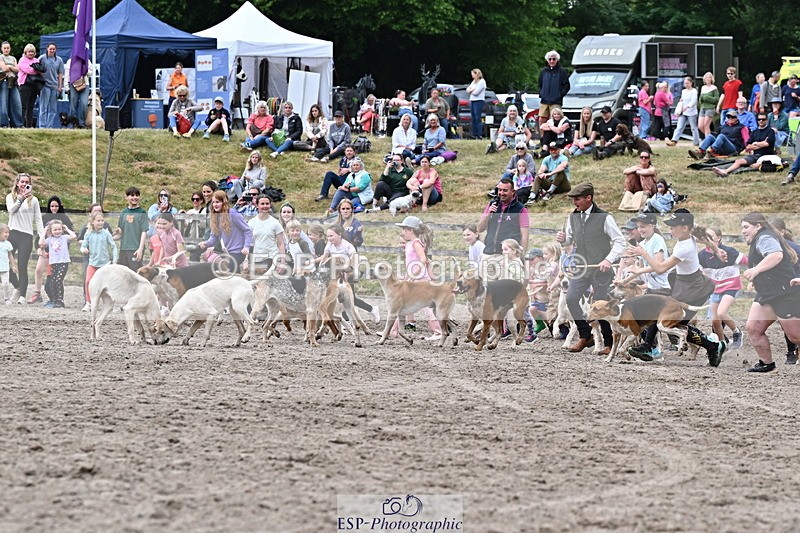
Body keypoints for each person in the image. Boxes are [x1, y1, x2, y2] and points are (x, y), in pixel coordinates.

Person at [625, 209, 727, 365]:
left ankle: (713, 346)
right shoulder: (691, 232)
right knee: (662, 314)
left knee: (675, 323)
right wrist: (717, 251)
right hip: (685, 284)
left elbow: (660, 268)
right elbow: (705, 238)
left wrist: (643, 253)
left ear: (684, 228)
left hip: (694, 290)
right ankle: (648, 346)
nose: (670, 230)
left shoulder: (683, 248)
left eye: (673, 227)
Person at [555, 182, 625, 355]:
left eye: (577, 199)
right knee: (571, 298)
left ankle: (609, 343)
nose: (574, 203)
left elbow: (620, 241)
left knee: (601, 303)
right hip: (582, 267)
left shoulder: (605, 217)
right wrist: (563, 240)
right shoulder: (573, 217)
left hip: (601, 269)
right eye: (573, 200)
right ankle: (585, 335)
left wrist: (608, 260)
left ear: (589, 198)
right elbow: (569, 242)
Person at [742, 213, 800, 372]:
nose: (743, 231)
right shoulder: (759, 240)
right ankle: (767, 364)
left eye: (746, 227)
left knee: (795, 336)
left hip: (785, 293)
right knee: (753, 328)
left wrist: (755, 270)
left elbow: (776, 256)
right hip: (767, 294)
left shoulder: (764, 238)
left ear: (758, 226)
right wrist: (757, 279)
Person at [315, 224, 380, 323]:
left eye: (331, 236)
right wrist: (320, 267)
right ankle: (345, 319)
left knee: (350, 298)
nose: (329, 238)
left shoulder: (347, 246)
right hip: (335, 273)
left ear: (339, 234)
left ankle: (372, 309)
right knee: (337, 297)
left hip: (347, 272)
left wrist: (348, 270)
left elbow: (354, 258)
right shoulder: (329, 244)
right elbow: (324, 257)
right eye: (328, 236)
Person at [394, 215, 443, 341]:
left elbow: (423, 259)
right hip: (413, 279)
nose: (403, 232)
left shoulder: (416, 243)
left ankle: (438, 331)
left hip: (421, 279)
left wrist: (414, 274)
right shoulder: (409, 244)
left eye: (404, 230)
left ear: (411, 230)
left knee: (426, 306)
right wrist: (407, 275)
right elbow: (411, 262)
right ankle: (393, 331)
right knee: (400, 303)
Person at [699, 226, 746, 347]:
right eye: (705, 237)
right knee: (715, 321)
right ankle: (722, 344)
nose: (707, 239)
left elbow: (748, 261)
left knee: (721, 313)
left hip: (731, 286)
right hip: (715, 289)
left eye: (711, 236)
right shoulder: (702, 255)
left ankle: (737, 332)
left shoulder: (729, 251)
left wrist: (754, 275)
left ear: (718, 238)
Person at [477, 178, 529, 279]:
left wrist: (520, 257)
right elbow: (479, 228)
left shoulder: (521, 209)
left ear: (513, 191)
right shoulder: (492, 205)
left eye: (505, 190)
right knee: (485, 291)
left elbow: (525, 236)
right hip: (488, 254)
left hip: (506, 257)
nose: (501, 193)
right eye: (499, 190)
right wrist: (488, 214)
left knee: (503, 292)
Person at [28, 195, 74, 304]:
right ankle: (37, 293)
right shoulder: (44, 218)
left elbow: (69, 235)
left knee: (56, 275)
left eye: (56, 206)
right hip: (46, 248)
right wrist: (39, 248)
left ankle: (57, 297)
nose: (54, 208)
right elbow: (40, 235)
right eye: (52, 206)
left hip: (58, 252)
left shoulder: (64, 218)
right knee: (39, 269)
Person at [6, 173, 44, 304]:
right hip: (12, 233)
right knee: (5, 263)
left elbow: (38, 219)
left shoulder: (34, 200)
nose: (24, 184)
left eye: (27, 182)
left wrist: (41, 236)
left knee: (22, 265)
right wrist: (20, 199)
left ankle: (22, 295)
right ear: (17, 183)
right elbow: (12, 210)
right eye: (22, 182)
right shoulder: (10, 197)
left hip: (26, 235)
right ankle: (17, 287)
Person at [199, 191, 253, 273]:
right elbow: (214, 236)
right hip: (227, 252)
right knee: (232, 274)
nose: (215, 204)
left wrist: (246, 247)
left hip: (239, 252)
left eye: (218, 202)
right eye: (213, 202)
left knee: (224, 267)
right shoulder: (215, 216)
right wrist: (206, 243)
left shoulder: (233, 214)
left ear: (224, 202)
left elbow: (247, 230)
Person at [713, 112, 775, 177]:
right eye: (759, 119)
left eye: (763, 119)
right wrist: (761, 144)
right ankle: (725, 171)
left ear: (767, 120)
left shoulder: (770, 131)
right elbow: (748, 146)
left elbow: (767, 144)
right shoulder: (754, 132)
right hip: (755, 156)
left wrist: (755, 143)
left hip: (767, 156)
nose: (761, 121)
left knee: (760, 165)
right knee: (739, 161)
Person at [622, 212, 671, 295]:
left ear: (652, 226)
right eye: (638, 227)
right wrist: (623, 281)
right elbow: (640, 269)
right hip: (652, 286)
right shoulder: (641, 244)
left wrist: (643, 254)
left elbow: (659, 265)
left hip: (664, 286)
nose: (640, 230)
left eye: (643, 227)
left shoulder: (657, 239)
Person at [80, 211, 117, 311]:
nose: (101, 222)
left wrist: (114, 259)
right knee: (88, 281)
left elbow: (113, 246)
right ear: (92, 222)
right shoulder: (88, 234)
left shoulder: (106, 233)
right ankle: (88, 303)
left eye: (102, 220)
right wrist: (84, 249)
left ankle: (113, 304)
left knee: (109, 284)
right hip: (92, 263)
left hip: (104, 264)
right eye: (98, 221)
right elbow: (83, 245)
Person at [39, 220, 76, 308]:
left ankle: (60, 300)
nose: (57, 231)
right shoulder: (49, 240)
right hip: (54, 263)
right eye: (55, 230)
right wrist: (44, 232)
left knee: (58, 280)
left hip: (63, 262)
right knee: (53, 282)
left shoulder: (64, 238)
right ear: (51, 231)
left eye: (59, 229)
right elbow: (41, 243)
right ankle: (55, 299)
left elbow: (74, 236)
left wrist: (67, 229)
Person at [247, 195, 285, 272]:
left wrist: (282, 262)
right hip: (257, 256)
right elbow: (248, 243)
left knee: (262, 272)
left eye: (267, 204)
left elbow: (281, 244)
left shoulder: (275, 223)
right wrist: (245, 260)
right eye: (262, 204)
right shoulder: (251, 223)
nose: (265, 206)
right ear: (257, 205)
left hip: (271, 256)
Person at [117, 187, 148, 270]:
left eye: (137, 195)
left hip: (135, 248)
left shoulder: (142, 212)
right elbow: (120, 232)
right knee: (122, 273)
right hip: (124, 248)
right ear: (126, 197)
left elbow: (144, 231)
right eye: (132, 195)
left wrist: (140, 249)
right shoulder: (123, 213)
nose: (135, 197)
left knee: (134, 273)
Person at [538, 51, 570, 126]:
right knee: (542, 119)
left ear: (557, 60)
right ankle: (543, 137)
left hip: (556, 101)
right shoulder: (544, 71)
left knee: (555, 119)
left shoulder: (561, 71)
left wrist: (559, 95)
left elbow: (567, 85)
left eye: (554, 59)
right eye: (550, 59)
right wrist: (541, 94)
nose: (552, 61)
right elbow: (540, 84)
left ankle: (555, 137)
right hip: (544, 100)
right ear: (547, 60)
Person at [666, 76, 700, 146]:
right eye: (685, 83)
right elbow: (682, 99)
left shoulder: (694, 91)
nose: (686, 85)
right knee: (679, 126)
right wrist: (681, 104)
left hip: (692, 112)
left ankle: (696, 142)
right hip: (683, 112)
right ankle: (674, 140)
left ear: (691, 83)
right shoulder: (683, 91)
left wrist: (687, 106)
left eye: (687, 83)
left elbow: (694, 101)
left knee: (693, 127)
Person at [36, 43, 64, 129]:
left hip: (54, 86)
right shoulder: (42, 58)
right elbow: (36, 68)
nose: (52, 51)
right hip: (45, 85)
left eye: (53, 49)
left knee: (53, 109)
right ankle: (42, 126)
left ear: (56, 50)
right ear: (47, 49)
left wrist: (60, 86)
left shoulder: (59, 60)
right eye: (50, 49)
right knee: (43, 107)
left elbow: (60, 74)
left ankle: (49, 126)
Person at [17, 44, 44, 128]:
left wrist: (36, 69)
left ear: (35, 53)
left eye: (32, 51)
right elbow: (27, 70)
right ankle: (20, 124)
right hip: (25, 84)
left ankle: (29, 125)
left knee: (31, 106)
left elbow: (42, 70)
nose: (30, 53)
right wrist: (35, 69)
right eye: (29, 51)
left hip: (34, 85)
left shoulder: (36, 60)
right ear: (25, 52)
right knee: (23, 105)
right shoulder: (22, 60)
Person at [0, 41, 23, 128]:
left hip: (13, 82)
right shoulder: (0, 57)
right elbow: (4, 68)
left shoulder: (13, 58)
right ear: (1, 49)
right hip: (4, 81)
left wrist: (9, 67)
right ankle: (4, 124)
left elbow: (18, 69)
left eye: (8, 48)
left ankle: (18, 124)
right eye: (4, 48)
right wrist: (11, 67)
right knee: (3, 103)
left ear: (10, 49)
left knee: (16, 103)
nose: (6, 50)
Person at [65, 58, 91, 128]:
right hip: (72, 84)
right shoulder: (70, 61)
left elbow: (91, 73)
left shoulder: (87, 60)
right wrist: (66, 87)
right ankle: (73, 124)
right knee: (73, 105)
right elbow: (67, 73)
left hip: (84, 84)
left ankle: (82, 123)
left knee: (84, 103)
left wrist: (85, 71)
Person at [466, 68, 486, 139]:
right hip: (472, 100)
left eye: (473, 74)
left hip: (478, 100)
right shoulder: (474, 82)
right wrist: (472, 90)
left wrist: (472, 90)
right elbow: (467, 90)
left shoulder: (482, 81)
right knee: (473, 117)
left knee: (478, 117)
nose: (472, 76)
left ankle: (479, 134)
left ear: (476, 74)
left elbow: (476, 92)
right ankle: (474, 134)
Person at [697, 72, 719, 139]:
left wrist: (707, 98)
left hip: (710, 108)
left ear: (711, 78)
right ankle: (711, 138)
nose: (708, 78)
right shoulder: (703, 87)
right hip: (703, 108)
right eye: (706, 77)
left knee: (706, 125)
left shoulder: (714, 88)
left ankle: (707, 142)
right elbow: (701, 98)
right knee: (700, 126)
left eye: (709, 77)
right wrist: (701, 99)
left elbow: (716, 99)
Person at [0, 224, 16, 305]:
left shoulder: (7, 244)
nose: (7, 234)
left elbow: (10, 255)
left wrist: (13, 266)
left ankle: (7, 299)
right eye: (5, 232)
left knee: (6, 284)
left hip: (5, 268)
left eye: (8, 232)